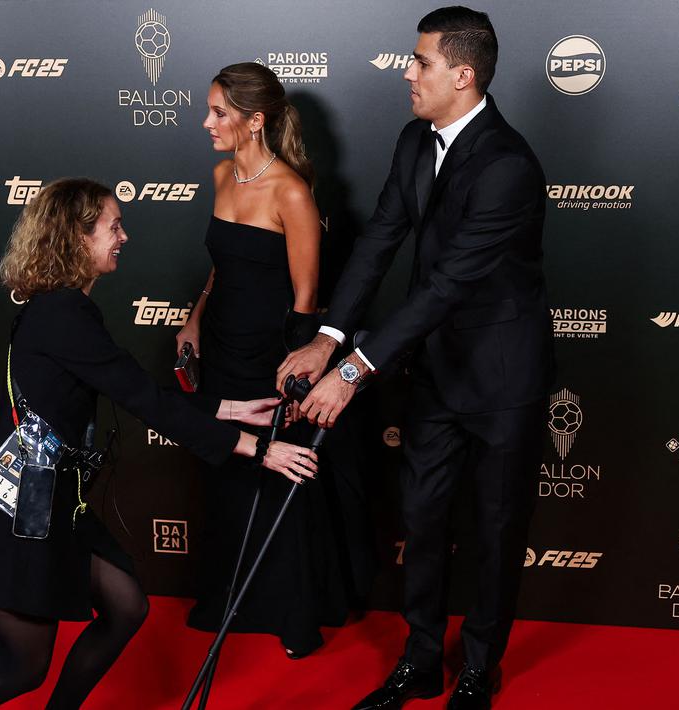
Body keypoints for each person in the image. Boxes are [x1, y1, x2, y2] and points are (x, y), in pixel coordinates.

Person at [0, 178, 318, 709]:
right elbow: (142, 398)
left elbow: (131, 386)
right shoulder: (61, 314)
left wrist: (228, 409)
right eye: (112, 226)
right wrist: (257, 449)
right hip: (21, 513)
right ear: (77, 238)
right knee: (20, 669)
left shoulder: (68, 308)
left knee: (125, 607)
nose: (124, 235)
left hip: (54, 502)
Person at [278, 7, 554, 709]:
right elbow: (379, 243)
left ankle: (477, 671)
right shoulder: (412, 141)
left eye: (421, 61)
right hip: (433, 371)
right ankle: (421, 659)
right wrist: (328, 336)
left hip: (500, 378)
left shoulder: (507, 165)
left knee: (493, 531)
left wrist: (352, 372)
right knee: (423, 522)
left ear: (462, 75)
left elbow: (446, 285)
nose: (408, 71)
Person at [175, 62, 368, 659]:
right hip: (224, 346)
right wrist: (195, 316)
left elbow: (307, 300)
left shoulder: (292, 192)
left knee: (279, 473)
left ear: (254, 121)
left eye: (219, 112)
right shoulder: (220, 173)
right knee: (229, 471)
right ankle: (228, 601)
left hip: (273, 357)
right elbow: (221, 266)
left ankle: (292, 612)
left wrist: (296, 372)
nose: (206, 122)